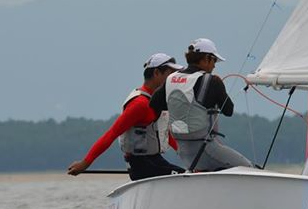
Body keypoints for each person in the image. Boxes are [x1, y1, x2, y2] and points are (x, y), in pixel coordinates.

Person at [68, 53, 185, 180]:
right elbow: (111, 134)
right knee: (185, 177)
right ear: (156, 73)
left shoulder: (158, 100)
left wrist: (189, 158)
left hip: (155, 161)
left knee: (188, 174)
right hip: (141, 165)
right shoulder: (140, 104)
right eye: (170, 74)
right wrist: (85, 163)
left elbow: (166, 135)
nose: (173, 79)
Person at [149, 38, 252, 171]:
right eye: (214, 60)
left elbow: (154, 104)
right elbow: (228, 110)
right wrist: (219, 88)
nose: (214, 66)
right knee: (248, 168)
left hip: (184, 152)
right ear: (206, 58)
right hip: (206, 148)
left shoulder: (171, 78)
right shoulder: (212, 81)